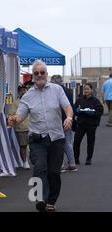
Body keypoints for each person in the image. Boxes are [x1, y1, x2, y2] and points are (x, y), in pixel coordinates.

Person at [8, 60, 73, 212]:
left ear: (46, 74)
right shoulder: (28, 96)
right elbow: (20, 116)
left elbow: (67, 107)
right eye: (36, 73)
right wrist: (14, 119)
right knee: (39, 168)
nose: (39, 75)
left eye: (42, 72)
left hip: (56, 138)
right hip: (37, 139)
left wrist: (69, 118)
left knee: (54, 172)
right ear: (32, 76)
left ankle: (51, 201)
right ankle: (38, 198)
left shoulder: (57, 90)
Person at [50, 74, 77, 173]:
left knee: (58, 143)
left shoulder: (55, 91)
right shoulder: (68, 91)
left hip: (59, 119)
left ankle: (60, 165)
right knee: (68, 143)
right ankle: (72, 163)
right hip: (69, 119)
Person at [73, 83, 104, 165]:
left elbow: (100, 111)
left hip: (91, 125)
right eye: (85, 89)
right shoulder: (79, 100)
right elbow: (74, 109)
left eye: (87, 89)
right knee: (76, 141)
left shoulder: (95, 101)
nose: (86, 91)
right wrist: (77, 111)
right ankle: (76, 159)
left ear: (91, 90)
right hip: (81, 124)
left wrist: (92, 113)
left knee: (90, 142)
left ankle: (88, 159)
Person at [8, 85, 30, 169]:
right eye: (21, 90)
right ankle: (25, 162)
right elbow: (11, 114)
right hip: (21, 128)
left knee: (34, 146)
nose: (23, 92)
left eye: (25, 90)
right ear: (19, 92)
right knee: (23, 145)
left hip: (33, 127)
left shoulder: (32, 101)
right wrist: (12, 119)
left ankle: (31, 159)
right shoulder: (16, 103)